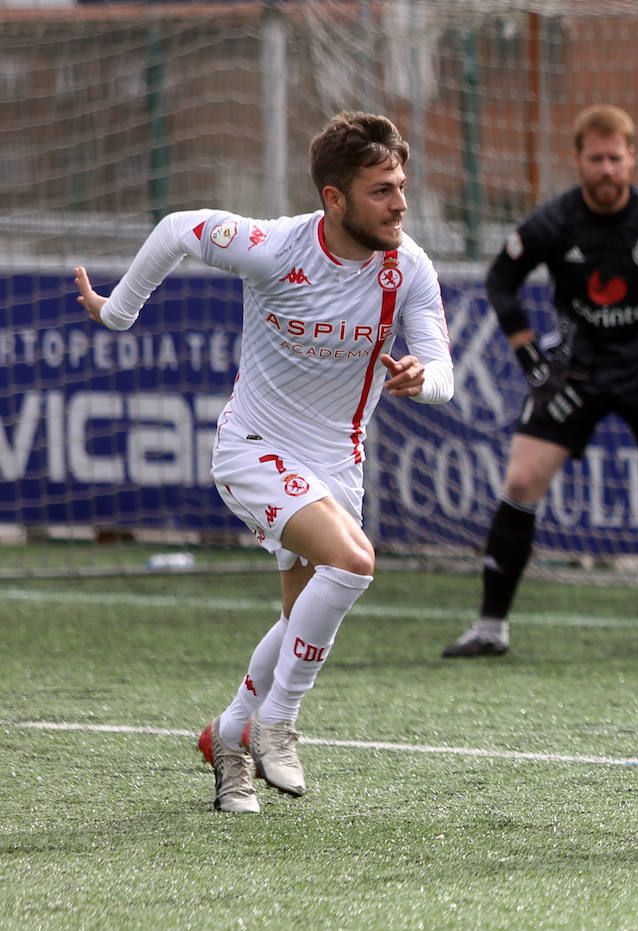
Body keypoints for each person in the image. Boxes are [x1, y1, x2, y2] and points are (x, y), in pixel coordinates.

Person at [74, 111, 454, 813]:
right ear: (334, 199)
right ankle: (277, 721)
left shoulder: (410, 268)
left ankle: (228, 738)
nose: (400, 202)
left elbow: (443, 371)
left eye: (401, 185)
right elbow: (178, 229)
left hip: (338, 464)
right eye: (381, 190)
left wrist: (420, 379)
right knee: (355, 562)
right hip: (254, 448)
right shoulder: (276, 246)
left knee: (299, 617)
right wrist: (120, 313)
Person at [441, 104, 638, 659]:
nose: (606, 170)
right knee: (522, 482)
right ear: (578, 160)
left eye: (615, 158)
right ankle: (489, 627)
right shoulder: (554, 221)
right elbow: (501, 280)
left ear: (632, 159)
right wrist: (532, 362)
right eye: (595, 159)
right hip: (573, 373)